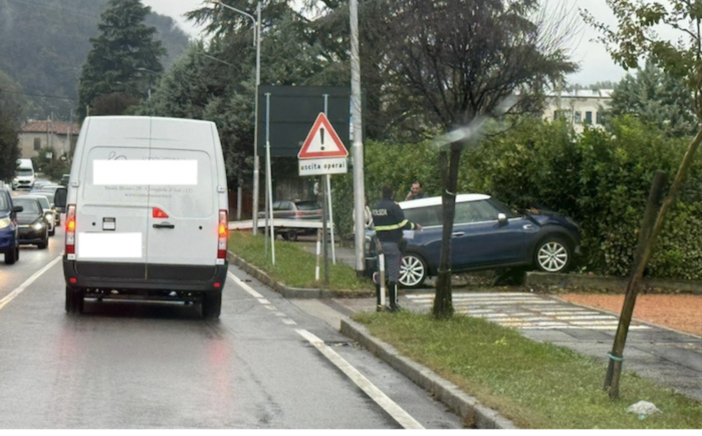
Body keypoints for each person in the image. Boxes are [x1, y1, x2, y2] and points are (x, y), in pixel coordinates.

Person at [372, 184, 422, 312]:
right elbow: (403, 224)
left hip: (380, 245)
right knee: (393, 274)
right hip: (393, 244)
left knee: (381, 273)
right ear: (392, 193)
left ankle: (379, 303)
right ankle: (393, 305)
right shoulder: (394, 206)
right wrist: (415, 226)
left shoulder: (376, 208)